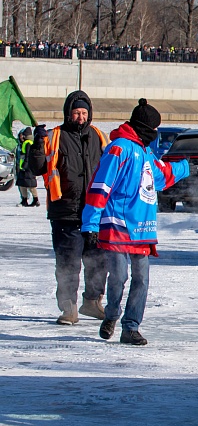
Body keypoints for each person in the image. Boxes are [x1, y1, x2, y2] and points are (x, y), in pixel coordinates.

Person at [82, 98, 190, 346]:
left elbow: (161, 176)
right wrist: (91, 224)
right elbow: (100, 186)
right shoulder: (119, 149)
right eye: (154, 128)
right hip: (118, 226)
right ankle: (111, 315)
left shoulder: (146, 153)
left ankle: (131, 327)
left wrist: (185, 166)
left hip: (142, 228)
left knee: (141, 279)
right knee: (119, 277)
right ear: (145, 127)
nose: (155, 133)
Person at [29, 90, 109, 325]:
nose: (80, 117)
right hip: (65, 211)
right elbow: (37, 168)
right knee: (68, 264)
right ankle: (68, 307)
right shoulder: (54, 136)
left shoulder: (98, 136)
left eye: (84, 112)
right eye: (76, 113)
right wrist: (37, 144)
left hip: (95, 212)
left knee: (98, 261)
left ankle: (92, 301)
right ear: (68, 113)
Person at [15, 127, 40, 207]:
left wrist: (25, 165)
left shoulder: (28, 143)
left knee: (30, 184)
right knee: (22, 183)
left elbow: (28, 155)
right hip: (24, 167)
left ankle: (35, 199)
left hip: (27, 168)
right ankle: (24, 199)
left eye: (23, 135)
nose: (21, 136)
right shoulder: (26, 143)